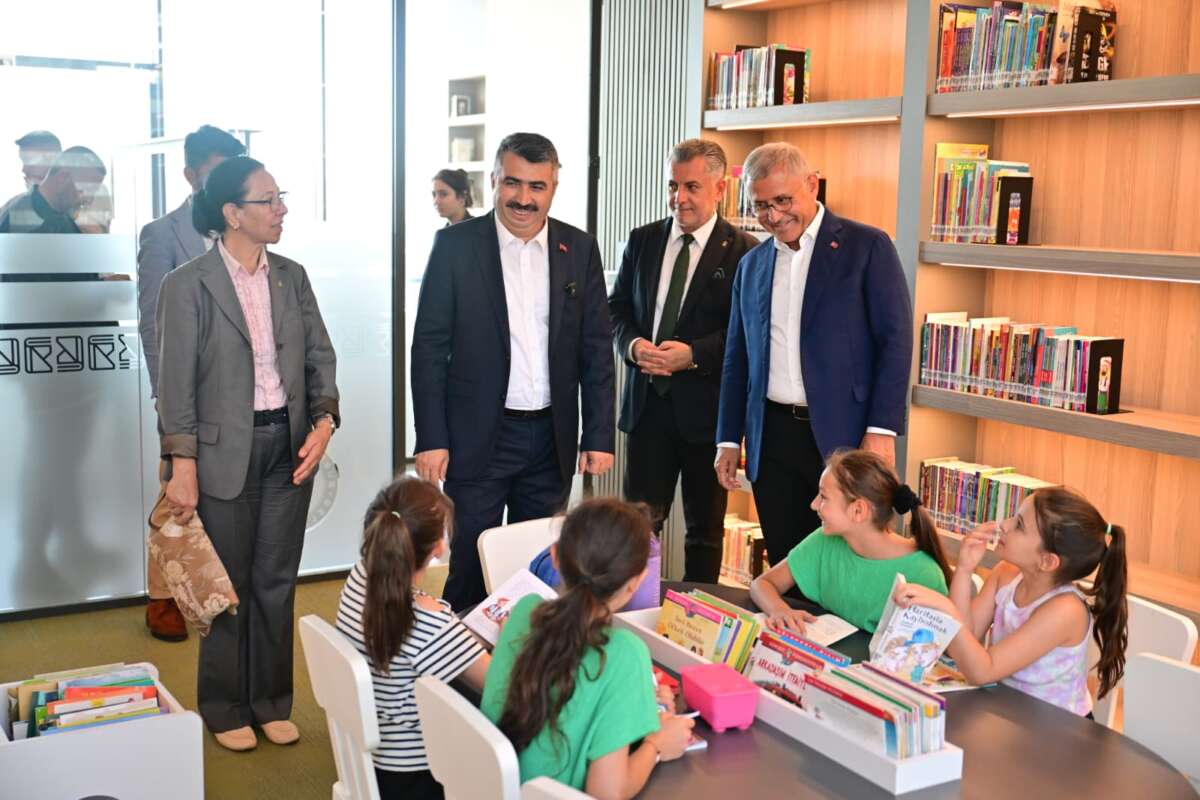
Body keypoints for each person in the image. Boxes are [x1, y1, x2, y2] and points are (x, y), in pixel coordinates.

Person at [156, 155, 339, 751]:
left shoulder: (292, 276)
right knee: (228, 587)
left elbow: (320, 357)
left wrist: (325, 421)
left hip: (289, 447)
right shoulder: (187, 285)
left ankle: (270, 701)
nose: (281, 209)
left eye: (281, 198)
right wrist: (182, 465)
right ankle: (224, 706)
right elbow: (176, 386)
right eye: (269, 200)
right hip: (220, 455)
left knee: (275, 583)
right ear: (232, 213)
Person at [411, 132, 615, 611]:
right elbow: (429, 348)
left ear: (553, 187)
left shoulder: (579, 248)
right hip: (478, 436)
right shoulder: (456, 246)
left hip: (550, 439)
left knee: (537, 570)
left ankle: (522, 658)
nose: (524, 198)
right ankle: (460, 659)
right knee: (470, 563)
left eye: (537, 186)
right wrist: (432, 437)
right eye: (513, 183)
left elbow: (595, 347)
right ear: (493, 181)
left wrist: (598, 434)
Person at [714, 142, 912, 566]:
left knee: (848, 563)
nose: (772, 216)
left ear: (812, 185)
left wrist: (881, 429)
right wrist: (728, 438)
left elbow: (895, 341)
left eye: (783, 200)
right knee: (789, 562)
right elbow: (737, 359)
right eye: (761, 205)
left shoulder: (867, 247)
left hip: (845, 435)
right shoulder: (751, 265)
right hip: (771, 439)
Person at [608, 139, 758, 582]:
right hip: (647, 410)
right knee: (636, 530)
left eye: (692, 186)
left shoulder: (745, 251)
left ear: (720, 190)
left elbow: (746, 333)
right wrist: (633, 346)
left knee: (705, 535)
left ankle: (697, 615)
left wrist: (693, 355)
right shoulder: (643, 240)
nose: (679, 198)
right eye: (673, 186)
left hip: (707, 417)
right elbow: (616, 311)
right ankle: (631, 610)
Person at [481, 498, 695, 796]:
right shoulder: (624, 653)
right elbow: (607, 791)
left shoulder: (524, 613)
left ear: (555, 557)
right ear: (636, 582)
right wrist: (656, 746)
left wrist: (643, 705)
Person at [138, 125, 246, 642]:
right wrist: (167, 396)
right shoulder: (162, 234)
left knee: (222, 488)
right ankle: (163, 596)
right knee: (176, 489)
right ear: (189, 175)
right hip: (185, 389)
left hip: (240, 392)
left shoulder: (245, 226)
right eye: (215, 173)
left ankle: (211, 584)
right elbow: (151, 323)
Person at [894, 488, 1128, 717]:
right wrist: (964, 568)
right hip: (1005, 711)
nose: (1004, 525)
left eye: (1019, 525)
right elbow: (964, 643)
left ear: (1047, 561)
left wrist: (946, 610)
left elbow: (983, 671)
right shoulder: (1005, 574)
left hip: (1056, 729)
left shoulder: (1066, 610)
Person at [336, 476, 489, 800]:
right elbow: (501, 684)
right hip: (418, 776)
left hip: (376, 755)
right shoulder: (431, 623)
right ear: (439, 548)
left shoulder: (360, 575)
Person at [749, 449, 951, 634]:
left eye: (823, 497)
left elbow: (933, 645)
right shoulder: (823, 541)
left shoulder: (924, 573)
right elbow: (762, 584)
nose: (813, 505)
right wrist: (779, 610)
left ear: (858, 510)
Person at [0, 146, 106, 233]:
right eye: (87, 189)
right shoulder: (18, 216)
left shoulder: (64, 217)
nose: (89, 200)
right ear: (62, 177)